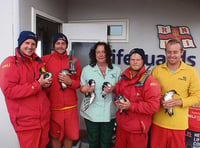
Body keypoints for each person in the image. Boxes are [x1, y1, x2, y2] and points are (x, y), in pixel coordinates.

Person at [0, 31, 52, 148]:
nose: (30, 47)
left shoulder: (38, 62)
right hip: (26, 123)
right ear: (20, 43)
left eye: (33, 44)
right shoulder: (11, 63)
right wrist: (38, 85)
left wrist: (46, 84)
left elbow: (42, 86)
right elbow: (9, 91)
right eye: (27, 43)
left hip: (43, 120)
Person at [150, 38, 200, 148]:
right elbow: (150, 94)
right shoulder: (157, 70)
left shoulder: (191, 72)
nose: (172, 55)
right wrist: (160, 99)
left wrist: (178, 102)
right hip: (158, 123)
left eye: (175, 52)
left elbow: (197, 97)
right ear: (165, 52)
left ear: (182, 52)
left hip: (179, 126)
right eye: (169, 52)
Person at [114, 48, 161, 148]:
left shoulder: (149, 81)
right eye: (132, 59)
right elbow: (116, 95)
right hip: (121, 128)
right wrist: (117, 102)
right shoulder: (123, 78)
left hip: (137, 131)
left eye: (138, 59)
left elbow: (153, 106)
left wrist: (130, 106)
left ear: (143, 61)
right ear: (129, 61)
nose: (135, 62)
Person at [42, 33, 81, 148]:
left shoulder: (73, 60)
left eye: (63, 43)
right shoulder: (45, 60)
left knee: (69, 136)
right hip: (54, 106)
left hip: (70, 107)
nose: (60, 46)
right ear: (54, 45)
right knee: (55, 136)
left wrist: (70, 82)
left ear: (66, 45)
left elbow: (79, 82)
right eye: (57, 43)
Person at [80, 42, 121, 148]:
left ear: (107, 53)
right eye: (98, 52)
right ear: (94, 54)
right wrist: (85, 89)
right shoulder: (87, 70)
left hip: (109, 112)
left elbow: (121, 89)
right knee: (93, 142)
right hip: (91, 112)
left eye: (103, 51)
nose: (101, 54)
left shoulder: (116, 70)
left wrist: (114, 89)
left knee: (106, 142)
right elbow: (81, 88)